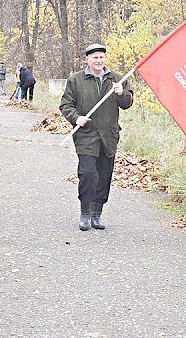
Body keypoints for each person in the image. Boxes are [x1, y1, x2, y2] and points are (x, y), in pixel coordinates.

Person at [60, 43, 133, 230]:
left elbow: (127, 103)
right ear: (87, 59)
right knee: (87, 174)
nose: (99, 61)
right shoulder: (76, 80)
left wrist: (121, 93)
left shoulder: (117, 79)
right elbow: (66, 105)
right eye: (95, 58)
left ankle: (97, 214)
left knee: (103, 176)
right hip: (86, 135)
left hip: (109, 136)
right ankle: (85, 213)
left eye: (101, 57)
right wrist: (77, 118)